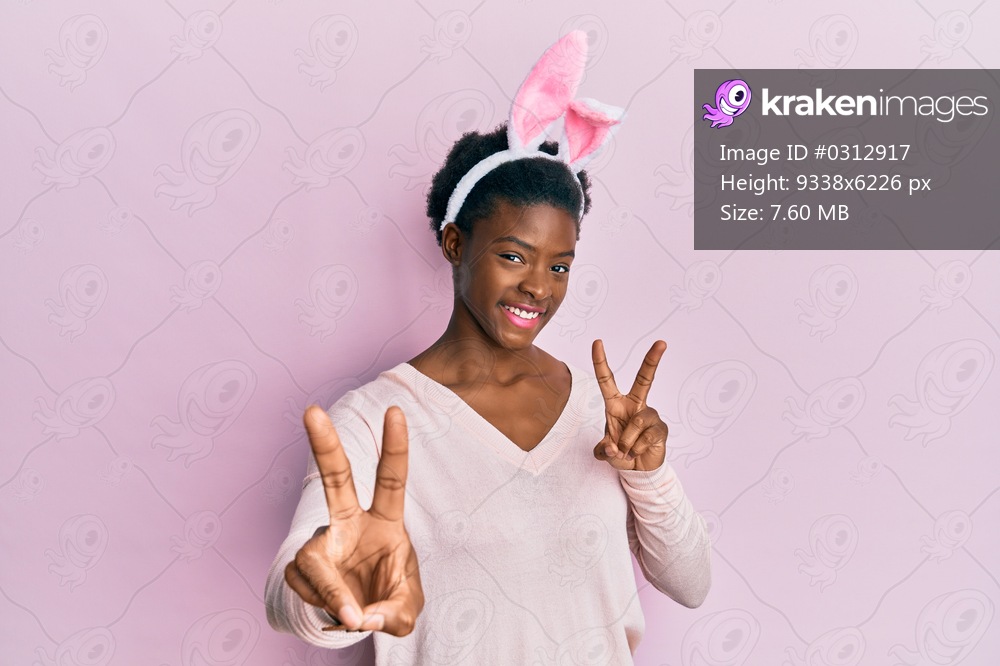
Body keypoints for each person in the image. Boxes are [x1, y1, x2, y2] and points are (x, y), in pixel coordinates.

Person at [265, 31, 711, 664]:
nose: (538, 285)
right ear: (454, 244)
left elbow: (691, 584)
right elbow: (293, 591)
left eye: (560, 265)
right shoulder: (372, 420)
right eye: (512, 255)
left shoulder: (601, 412)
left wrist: (650, 477)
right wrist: (328, 588)